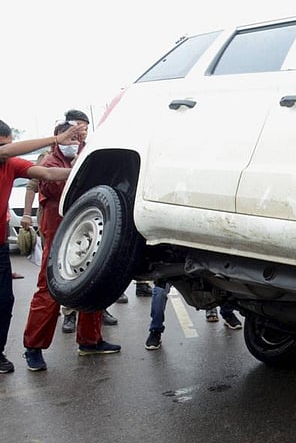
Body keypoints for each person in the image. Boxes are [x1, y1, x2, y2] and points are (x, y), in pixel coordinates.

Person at [21, 121, 121, 372]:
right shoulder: (49, 162)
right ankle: (33, 347)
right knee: (49, 289)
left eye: (79, 137)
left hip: (86, 230)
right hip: (58, 235)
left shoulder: (88, 155)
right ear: (58, 138)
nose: (75, 142)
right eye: (70, 138)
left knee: (94, 281)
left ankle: (90, 340)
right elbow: (51, 185)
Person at [0, 119, 83, 373]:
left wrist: (82, 169)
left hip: (0, 247)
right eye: (5, 145)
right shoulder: (6, 155)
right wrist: (55, 140)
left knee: (5, 301)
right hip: (47, 232)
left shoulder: (10, 164)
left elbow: (47, 174)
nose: (8, 150)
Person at [145, 282, 242, 350]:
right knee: (160, 292)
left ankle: (227, 313)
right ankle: (155, 331)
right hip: (169, 263)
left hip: (194, 259)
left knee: (220, 280)